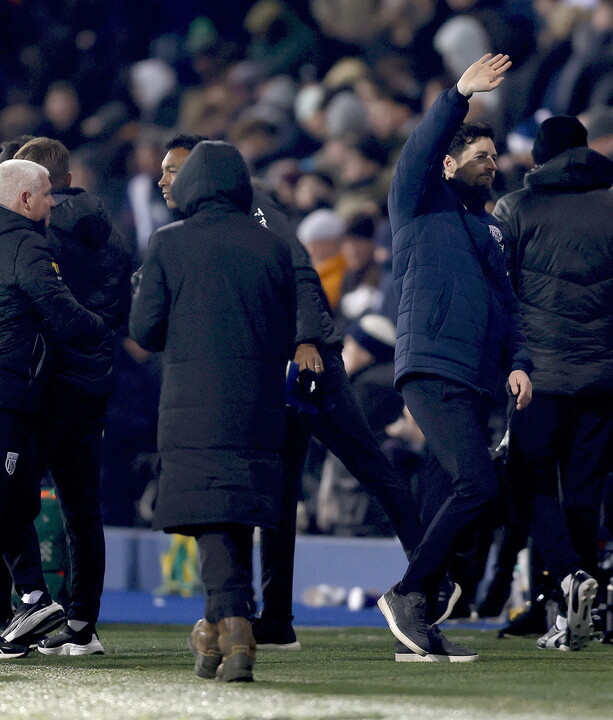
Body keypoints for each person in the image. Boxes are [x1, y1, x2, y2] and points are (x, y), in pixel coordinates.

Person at [156, 135, 425, 652]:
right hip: (271, 373)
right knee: (278, 495)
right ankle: (275, 619)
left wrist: (306, 338)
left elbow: (299, 267)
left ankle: (432, 572)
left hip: (309, 366)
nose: (164, 180)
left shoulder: (254, 209)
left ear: (202, 168)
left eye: (173, 169)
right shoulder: (199, 227)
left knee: (369, 466)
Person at [378, 53, 533, 663]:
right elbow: (417, 150)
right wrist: (457, 97)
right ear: (448, 162)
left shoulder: (491, 231)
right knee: (477, 484)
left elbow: (509, 305)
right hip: (432, 365)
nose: (491, 165)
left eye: (495, 158)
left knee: (473, 490)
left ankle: (427, 598)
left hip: (475, 378)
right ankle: (412, 591)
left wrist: (518, 359)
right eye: (478, 155)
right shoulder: (418, 203)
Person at [493, 115, 613, 651]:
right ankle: (578, 613)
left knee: (531, 483)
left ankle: (564, 592)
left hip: (536, 379)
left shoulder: (515, 209)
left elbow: (496, 297)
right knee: (586, 490)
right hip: (604, 374)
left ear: (536, 159)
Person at [129, 140, 297, 682]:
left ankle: (235, 628)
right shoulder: (272, 246)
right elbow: (285, 325)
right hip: (259, 400)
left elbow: (144, 330)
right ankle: (211, 631)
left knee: (213, 513)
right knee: (231, 514)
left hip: (193, 401)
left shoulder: (169, 243)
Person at [0, 137, 133, 656]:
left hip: (41, 385)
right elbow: (121, 307)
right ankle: (83, 625)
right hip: (93, 384)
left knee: (12, 502)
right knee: (82, 508)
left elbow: (46, 306)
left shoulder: (34, 235)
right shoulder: (115, 236)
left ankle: (24, 610)